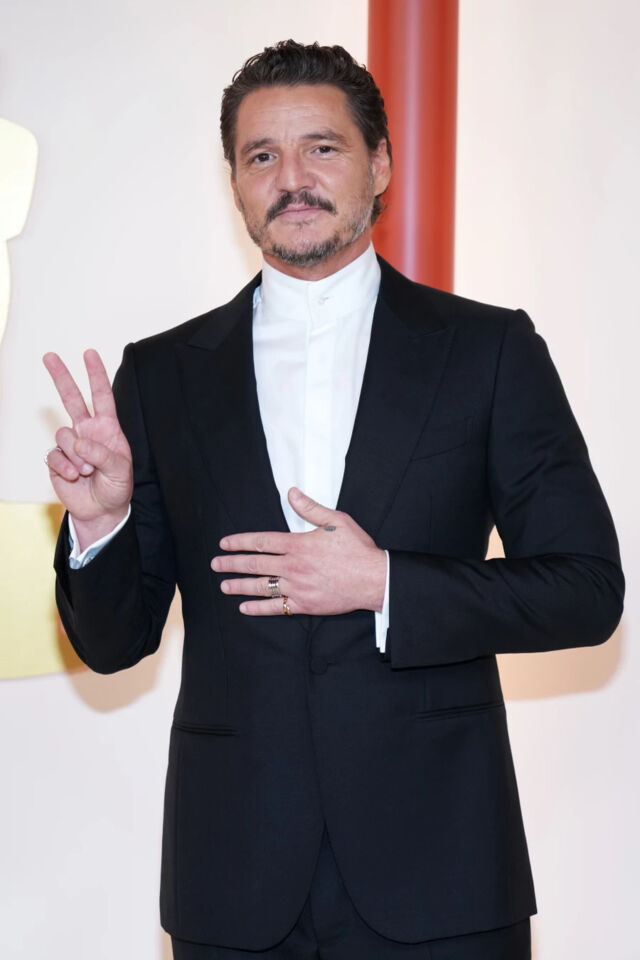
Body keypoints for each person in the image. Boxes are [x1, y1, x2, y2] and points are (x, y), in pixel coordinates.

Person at [44, 40, 624, 960]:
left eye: (322, 147)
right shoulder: (161, 376)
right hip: (233, 883)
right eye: (261, 156)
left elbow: (586, 591)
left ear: (379, 163)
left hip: (444, 871)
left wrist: (386, 583)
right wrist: (101, 521)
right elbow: (113, 645)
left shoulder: (489, 351)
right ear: (235, 185)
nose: (292, 179)